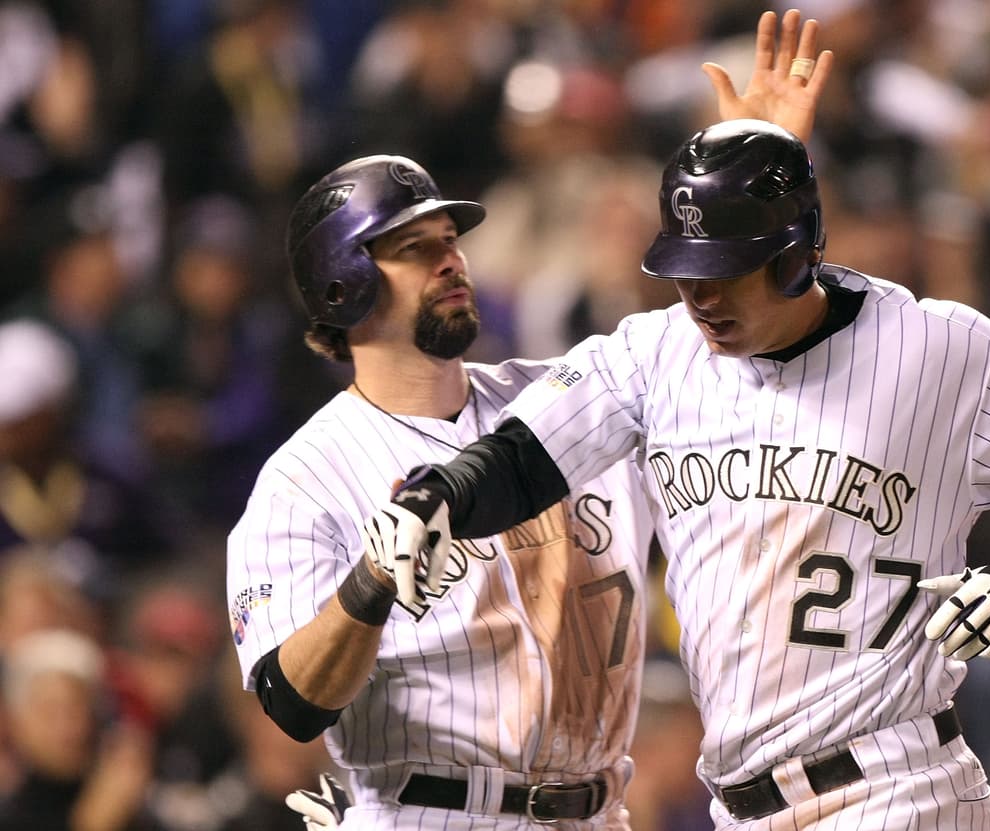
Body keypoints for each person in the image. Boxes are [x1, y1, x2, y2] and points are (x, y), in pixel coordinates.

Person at [370, 117, 990, 829]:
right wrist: (436, 495)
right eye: (685, 268)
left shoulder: (936, 346)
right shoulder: (653, 351)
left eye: (728, 270)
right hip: (739, 802)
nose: (701, 294)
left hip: (895, 783)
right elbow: (521, 456)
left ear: (798, 253)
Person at [227, 10, 833, 829]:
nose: (453, 257)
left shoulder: (568, 397)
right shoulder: (305, 477)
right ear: (343, 285)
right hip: (434, 813)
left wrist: (758, 165)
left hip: (601, 810)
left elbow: (751, 342)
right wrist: (369, 585)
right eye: (414, 247)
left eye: (452, 237)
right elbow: (291, 700)